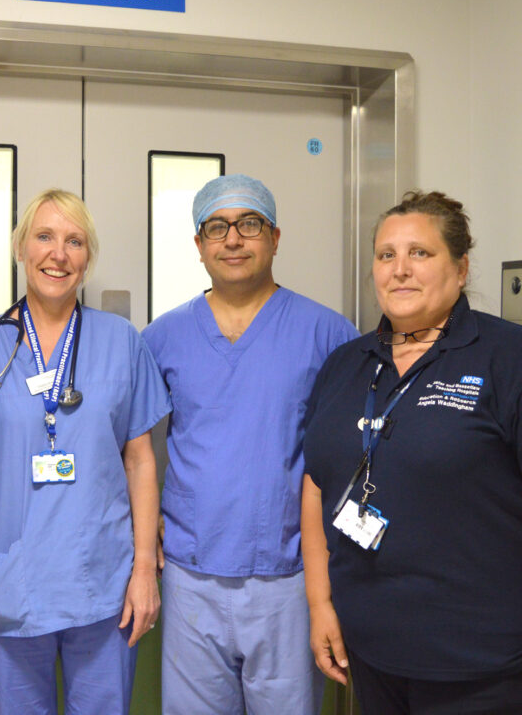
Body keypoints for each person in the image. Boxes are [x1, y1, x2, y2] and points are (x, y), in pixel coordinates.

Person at [302, 190, 522, 715]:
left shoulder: (517, 361)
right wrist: (320, 603)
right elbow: (318, 485)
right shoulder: (346, 364)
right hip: (371, 651)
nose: (400, 270)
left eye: (420, 253)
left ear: (460, 269)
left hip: (480, 661)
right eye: (386, 255)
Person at [0, 188, 169, 714]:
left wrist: (145, 570)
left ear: (87, 258)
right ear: (21, 249)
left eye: (74, 241)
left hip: (103, 586)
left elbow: (141, 460)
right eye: (44, 237)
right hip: (9, 589)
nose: (58, 254)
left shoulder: (121, 341)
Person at [141, 174, 359, 715]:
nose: (233, 239)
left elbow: (358, 454)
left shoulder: (328, 334)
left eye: (250, 224)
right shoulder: (161, 337)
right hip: (192, 573)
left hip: (289, 577)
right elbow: (133, 446)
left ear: (275, 237)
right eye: (217, 227)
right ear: (199, 246)